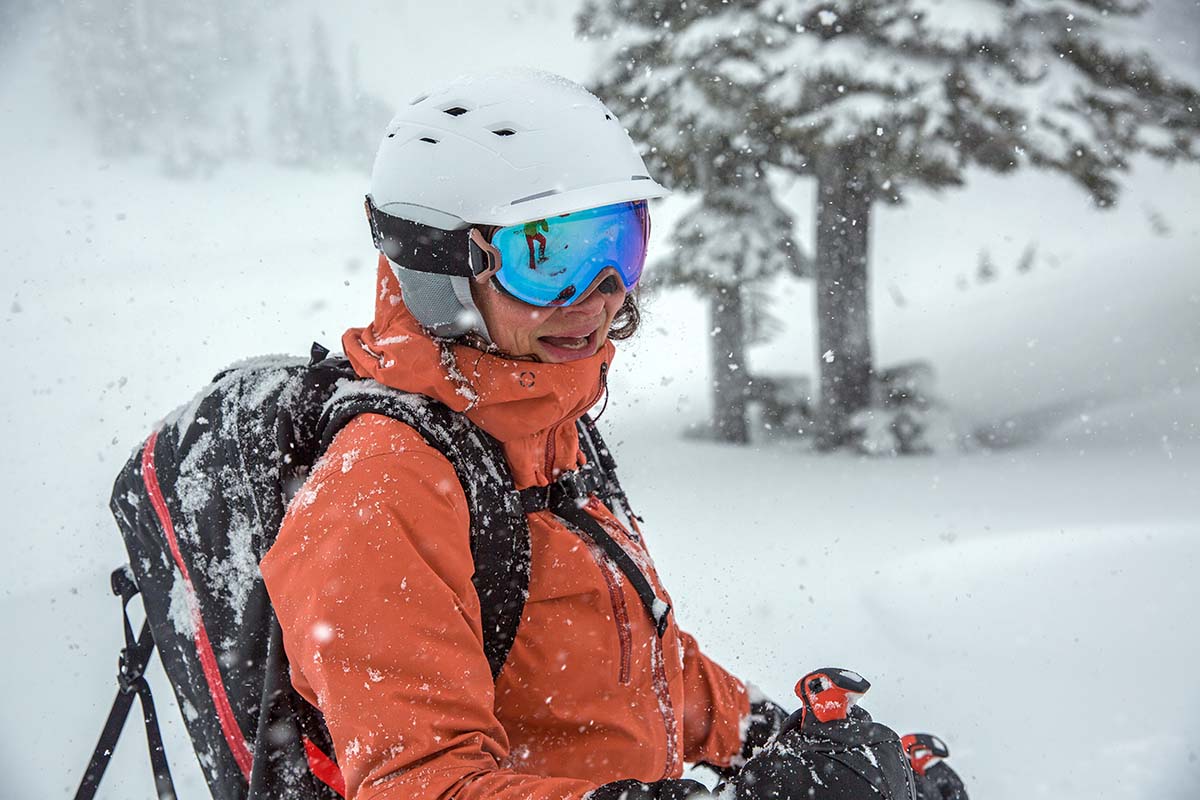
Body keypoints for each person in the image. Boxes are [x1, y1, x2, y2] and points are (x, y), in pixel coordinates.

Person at [259, 69, 781, 800]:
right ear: (442, 266)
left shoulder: (544, 424)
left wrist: (767, 738)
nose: (598, 293)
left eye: (619, 246)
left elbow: (617, 668)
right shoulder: (385, 485)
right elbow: (419, 785)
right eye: (549, 257)